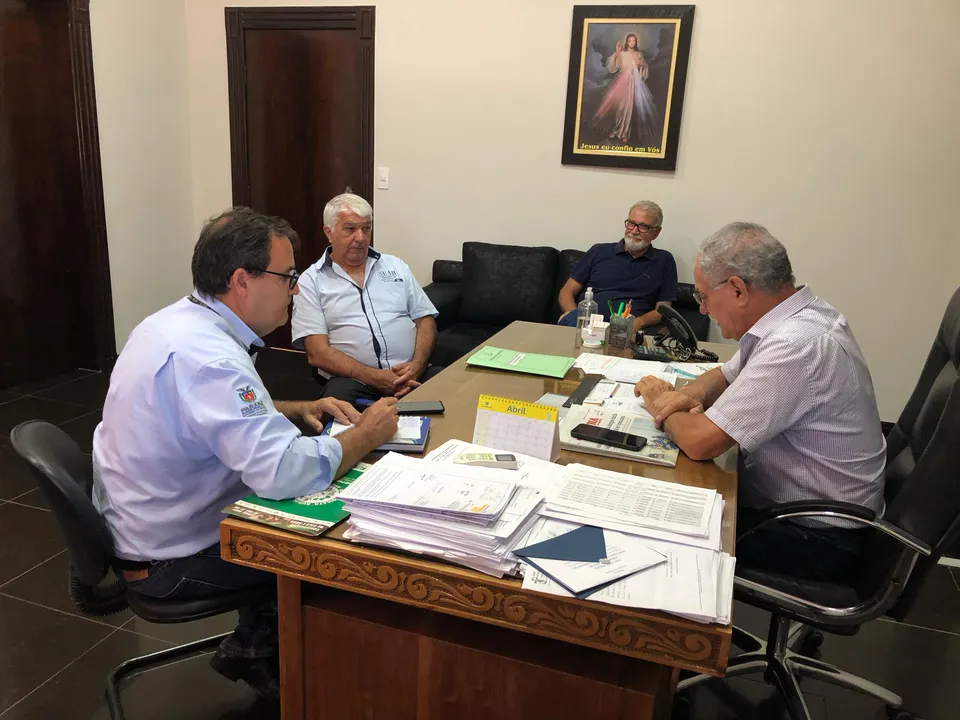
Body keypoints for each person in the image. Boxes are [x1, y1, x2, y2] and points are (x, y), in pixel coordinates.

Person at [92, 207, 399, 700]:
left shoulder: (173, 323)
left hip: (144, 526)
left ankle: (256, 648)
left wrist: (297, 408)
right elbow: (282, 472)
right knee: (340, 553)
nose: (295, 290)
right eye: (288, 277)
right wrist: (367, 435)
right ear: (241, 280)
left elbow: (212, 414)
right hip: (171, 561)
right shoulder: (211, 360)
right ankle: (303, 677)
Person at [634, 222, 886, 582]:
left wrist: (660, 400)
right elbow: (723, 374)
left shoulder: (796, 344)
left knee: (654, 525)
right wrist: (688, 395)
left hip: (816, 537)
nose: (702, 310)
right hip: (801, 513)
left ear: (737, 289)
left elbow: (700, 442)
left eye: (703, 297)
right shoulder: (796, 317)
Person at [291, 193, 440, 407]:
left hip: (410, 375)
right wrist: (374, 377)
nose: (360, 237)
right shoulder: (311, 281)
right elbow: (317, 353)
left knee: (455, 390)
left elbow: (425, 319)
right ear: (329, 233)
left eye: (366, 228)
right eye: (350, 229)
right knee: (335, 407)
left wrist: (416, 366)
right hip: (354, 382)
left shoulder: (395, 266)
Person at [557, 200, 677, 335]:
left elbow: (663, 309)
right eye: (631, 223)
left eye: (643, 227)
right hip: (587, 326)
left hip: (627, 332)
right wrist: (575, 316)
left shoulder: (664, 260)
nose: (634, 231)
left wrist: (640, 322)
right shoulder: (599, 251)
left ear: (656, 232)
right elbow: (567, 291)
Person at [592, 32, 662, 147]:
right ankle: (616, 130)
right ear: (627, 42)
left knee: (629, 109)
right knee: (620, 108)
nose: (632, 43)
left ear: (636, 42)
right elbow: (613, 67)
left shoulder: (639, 54)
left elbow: (643, 72)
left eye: (634, 40)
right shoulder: (622, 53)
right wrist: (617, 53)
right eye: (630, 41)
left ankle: (625, 134)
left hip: (633, 84)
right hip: (622, 83)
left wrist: (643, 64)